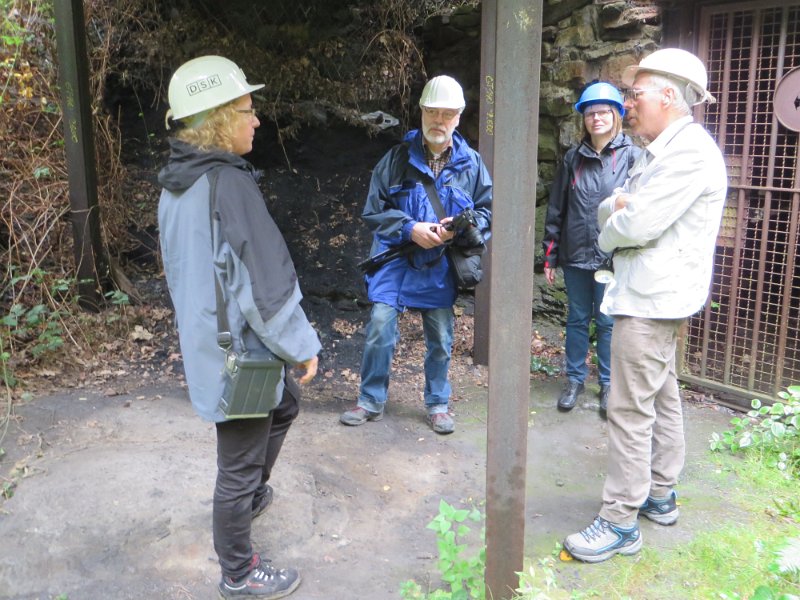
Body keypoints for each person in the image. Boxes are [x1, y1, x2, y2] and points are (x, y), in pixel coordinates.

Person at [158, 55, 321, 598]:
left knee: (285, 405)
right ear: (218, 118)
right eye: (248, 111)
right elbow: (264, 282)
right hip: (239, 352)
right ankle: (239, 570)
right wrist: (301, 344)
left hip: (209, 341)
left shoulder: (176, 185)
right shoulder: (228, 185)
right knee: (238, 458)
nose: (256, 121)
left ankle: (248, 495)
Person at [563, 48, 727, 563]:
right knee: (663, 397)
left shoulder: (688, 154)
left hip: (652, 301)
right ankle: (659, 494)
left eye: (636, 93)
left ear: (668, 96)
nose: (628, 102)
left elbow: (629, 223)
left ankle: (618, 522)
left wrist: (612, 231)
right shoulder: (662, 150)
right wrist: (620, 213)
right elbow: (619, 203)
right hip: (655, 295)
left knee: (629, 408)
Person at [339, 75, 492, 435]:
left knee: (440, 335)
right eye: (432, 112)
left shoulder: (472, 165)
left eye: (447, 114)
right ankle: (371, 399)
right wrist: (410, 228)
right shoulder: (395, 160)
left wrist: (460, 229)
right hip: (395, 258)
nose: (439, 121)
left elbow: (486, 212)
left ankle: (438, 402)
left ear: (458, 118)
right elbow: (373, 210)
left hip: (439, 264)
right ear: (421, 112)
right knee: (380, 325)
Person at [542, 81, 641, 416]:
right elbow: (557, 208)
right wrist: (550, 254)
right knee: (577, 319)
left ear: (616, 116)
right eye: (590, 113)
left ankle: (608, 385)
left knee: (608, 321)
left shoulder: (633, 157)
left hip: (613, 257)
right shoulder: (573, 159)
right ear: (583, 118)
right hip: (575, 253)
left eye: (603, 112)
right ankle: (573, 379)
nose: (596, 118)